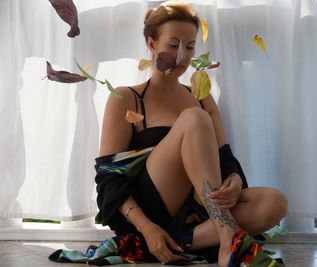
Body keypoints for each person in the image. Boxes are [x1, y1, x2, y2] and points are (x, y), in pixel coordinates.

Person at [97, 1, 287, 266]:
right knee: (194, 118)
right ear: (151, 44)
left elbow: (224, 158)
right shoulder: (126, 98)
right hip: (151, 210)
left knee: (274, 202)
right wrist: (146, 228)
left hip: (198, 212)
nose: (181, 57)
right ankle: (227, 238)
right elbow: (109, 181)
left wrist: (233, 179)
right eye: (173, 45)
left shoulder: (201, 96)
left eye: (190, 46)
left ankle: (181, 241)